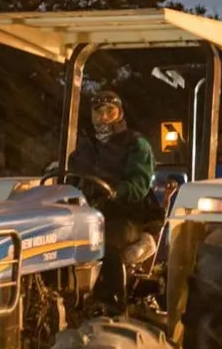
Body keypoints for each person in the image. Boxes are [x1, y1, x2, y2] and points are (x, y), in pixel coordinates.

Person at [66, 90, 158, 307]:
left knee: (105, 245)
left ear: (120, 113)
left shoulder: (135, 144)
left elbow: (140, 184)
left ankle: (112, 303)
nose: (104, 116)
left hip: (124, 213)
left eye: (110, 111)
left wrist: (115, 192)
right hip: (86, 213)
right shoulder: (83, 147)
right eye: (99, 111)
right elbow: (71, 178)